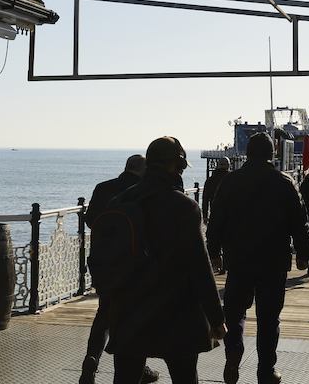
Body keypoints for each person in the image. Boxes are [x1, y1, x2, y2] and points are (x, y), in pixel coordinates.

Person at [104, 137, 225, 384]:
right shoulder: (185, 207)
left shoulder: (121, 202)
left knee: (125, 377)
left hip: (128, 307)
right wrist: (216, 319)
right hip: (177, 311)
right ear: (175, 166)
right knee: (184, 377)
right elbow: (200, 267)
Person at [206, 133, 309, 384]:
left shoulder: (230, 181)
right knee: (268, 318)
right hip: (273, 260)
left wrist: (214, 252)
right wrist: (304, 254)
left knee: (234, 312)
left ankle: (234, 350)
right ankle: (266, 371)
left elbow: (216, 219)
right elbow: (300, 221)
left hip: (238, 258)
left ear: (247, 153)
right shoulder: (284, 182)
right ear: (272, 153)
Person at [79, 155, 159, 384]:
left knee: (105, 312)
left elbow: (90, 221)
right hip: (134, 267)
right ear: (144, 170)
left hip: (103, 263)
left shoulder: (103, 188)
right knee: (134, 318)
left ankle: (91, 359)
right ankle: (135, 369)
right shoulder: (142, 191)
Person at [202, 157, 230, 223]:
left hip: (214, 213)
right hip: (229, 215)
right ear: (228, 165)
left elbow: (205, 200)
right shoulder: (232, 179)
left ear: (217, 165)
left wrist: (205, 216)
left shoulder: (210, 180)